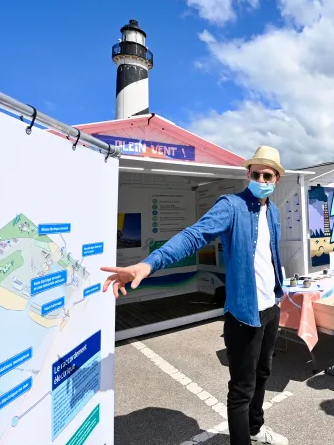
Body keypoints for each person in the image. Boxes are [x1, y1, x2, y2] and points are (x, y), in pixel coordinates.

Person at [102, 146, 290, 445]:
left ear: (276, 179)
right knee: (242, 388)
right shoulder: (231, 206)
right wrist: (148, 264)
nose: (261, 179)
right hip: (244, 312)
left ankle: (255, 429)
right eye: (256, 174)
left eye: (268, 175)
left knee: (264, 373)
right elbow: (194, 235)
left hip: (271, 308)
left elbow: (269, 257)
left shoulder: (275, 212)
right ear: (248, 175)